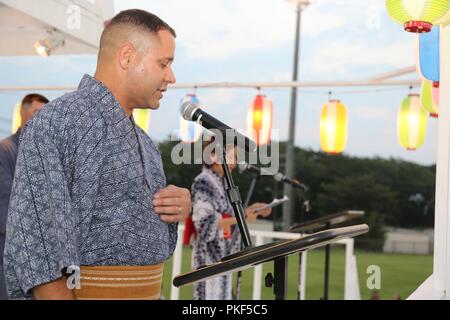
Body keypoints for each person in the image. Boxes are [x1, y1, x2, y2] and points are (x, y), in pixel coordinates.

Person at [3, 9, 191, 300]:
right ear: (127, 57)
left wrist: (175, 207)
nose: (171, 77)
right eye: (163, 63)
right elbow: (42, 248)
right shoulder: (56, 122)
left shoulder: (145, 142)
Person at [190, 141, 272, 300]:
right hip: (208, 258)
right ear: (213, 155)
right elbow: (205, 224)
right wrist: (242, 217)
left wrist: (252, 209)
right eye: (231, 156)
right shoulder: (203, 181)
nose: (234, 162)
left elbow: (230, 215)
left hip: (224, 258)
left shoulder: (225, 182)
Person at [0, 94, 49, 300]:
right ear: (22, 113)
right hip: (9, 255)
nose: (41, 119)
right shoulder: (5, 150)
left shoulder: (46, 154)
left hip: (41, 262)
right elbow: (5, 209)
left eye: (45, 115)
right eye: (37, 113)